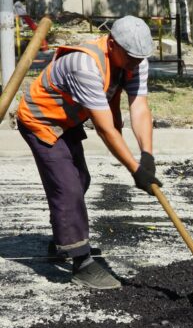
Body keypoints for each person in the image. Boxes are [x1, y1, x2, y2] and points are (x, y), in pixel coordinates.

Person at [17, 15, 161, 290]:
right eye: (130, 56)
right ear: (112, 44)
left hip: (68, 119)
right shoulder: (85, 64)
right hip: (41, 120)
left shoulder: (137, 60)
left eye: (140, 57)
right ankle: (81, 262)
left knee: (81, 180)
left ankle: (64, 238)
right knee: (68, 188)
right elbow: (106, 128)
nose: (136, 62)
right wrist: (135, 170)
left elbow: (139, 107)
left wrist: (147, 158)